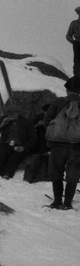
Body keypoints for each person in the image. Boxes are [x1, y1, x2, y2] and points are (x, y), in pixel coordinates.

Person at [43, 77, 80, 209]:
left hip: (58, 144)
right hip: (76, 146)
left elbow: (47, 120)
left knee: (56, 172)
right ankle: (68, 203)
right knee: (73, 174)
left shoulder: (59, 102)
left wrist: (53, 134)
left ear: (68, 90)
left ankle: (57, 201)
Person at [0, 103, 37, 179]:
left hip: (18, 145)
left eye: (13, 114)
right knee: (0, 156)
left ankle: (7, 173)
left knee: (14, 158)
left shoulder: (26, 122)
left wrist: (24, 147)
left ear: (18, 113)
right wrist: (2, 125)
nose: (10, 116)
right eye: (9, 114)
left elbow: (33, 138)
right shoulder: (4, 119)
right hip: (5, 144)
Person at [66, 6, 80, 78]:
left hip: (77, 43)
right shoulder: (74, 23)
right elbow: (68, 35)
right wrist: (74, 42)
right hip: (77, 43)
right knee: (77, 62)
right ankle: (77, 78)